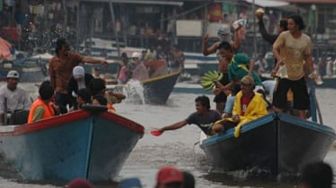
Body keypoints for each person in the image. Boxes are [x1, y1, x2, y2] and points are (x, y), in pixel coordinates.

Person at [272, 15, 315, 119]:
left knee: (301, 102)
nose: (288, 26)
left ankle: (303, 122)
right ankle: (277, 120)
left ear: (297, 25)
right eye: (288, 24)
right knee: (279, 100)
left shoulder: (306, 39)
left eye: (291, 24)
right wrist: (279, 59)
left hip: (298, 73)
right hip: (284, 71)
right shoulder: (284, 35)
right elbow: (275, 48)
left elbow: (308, 57)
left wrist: (312, 72)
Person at [49, 38, 107, 114]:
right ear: (59, 48)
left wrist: (99, 61)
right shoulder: (53, 61)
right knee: (58, 112)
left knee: (74, 112)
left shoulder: (73, 57)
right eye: (65, 47)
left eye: (67, 47)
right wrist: (51, 95)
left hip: (74, 92)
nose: (67, 49)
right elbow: (52, 78)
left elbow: (85, 59)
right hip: (60, 92)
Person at [152, 96, 221, 136]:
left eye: (198, 106)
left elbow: (224, 123)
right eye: (196, 105)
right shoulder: (194, 116)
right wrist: (163, 129)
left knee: (217, 127)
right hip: (210, 136)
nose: (196, 108)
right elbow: (180, 124)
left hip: (219, 134)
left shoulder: (215, 114)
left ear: (205, 106)